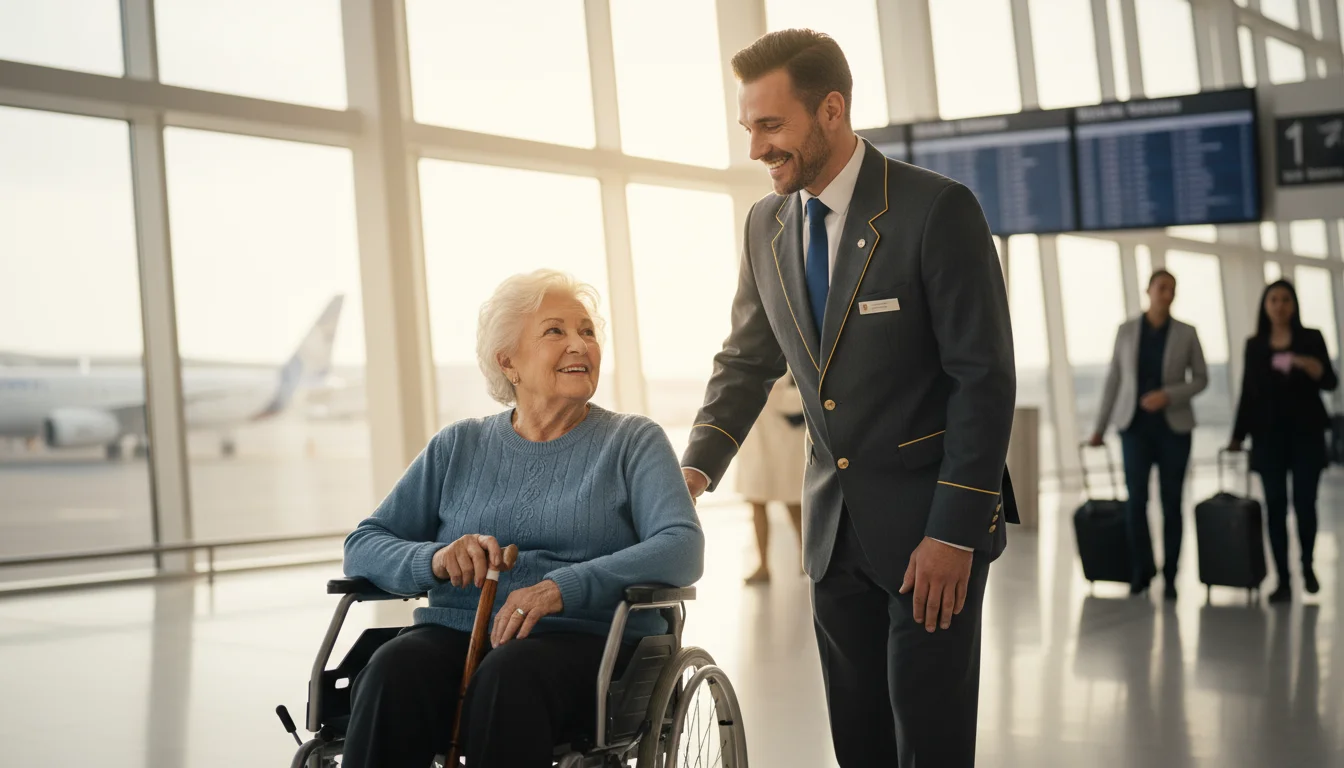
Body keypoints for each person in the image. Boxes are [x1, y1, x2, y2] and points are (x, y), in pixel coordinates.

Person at [681, 29, 1017, 767]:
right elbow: (746, 361)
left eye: (771, 126)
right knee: (859, 745)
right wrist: (692, 473)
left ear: (831, 109)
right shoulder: (766, 225)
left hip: (932, 532)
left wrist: (954, 532)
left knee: (929, 744)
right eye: (749, 128)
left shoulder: (936, 210)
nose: (755, 148)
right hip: (834, 542)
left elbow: (983, 382)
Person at [340, 270, 704, 767]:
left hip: (584, 641)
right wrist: (437, 559)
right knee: (392, 670)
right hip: (458, 631)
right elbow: (364, 543)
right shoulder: (458, 445)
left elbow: (682, 545)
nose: (580, 345)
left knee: (508, 677)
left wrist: (564, 586)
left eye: (588, 332)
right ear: (507, 361)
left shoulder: (632, 441)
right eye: (555, 331)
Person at [1089, 269, 1208, 600]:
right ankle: (1141, 571)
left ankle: (1171, 575)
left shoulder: (1187, 333)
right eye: (1161, 288)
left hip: (1175, 429)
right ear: (1149, 290)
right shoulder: (1126, 331)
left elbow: (1201, 379)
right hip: (1134, 428)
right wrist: (1100, 427)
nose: (1167, 294)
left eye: (1172, 289)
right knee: (1136, 501)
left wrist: (1169, 394)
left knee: (1172, 503)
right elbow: (1114, 379)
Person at [1229, 279, 1337, 603]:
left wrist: (1304, 362)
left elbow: (1330, 381)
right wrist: (1237, 435)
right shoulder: (1255, 345)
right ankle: (1283, 579)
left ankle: (1307, 564)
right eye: (1273, 300)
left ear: (1294, 305)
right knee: (1275, 506)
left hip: (1306, 435)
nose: (1279, 306)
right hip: (1268, 437)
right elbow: (1248, 393)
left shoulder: (1311, 339)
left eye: (1285, 299)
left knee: (1305, 503)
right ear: (1265, 305)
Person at [735, 370, 806, 583]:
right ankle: (763, 565)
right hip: (756, 443)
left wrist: (798, 398)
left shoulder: (783, 357)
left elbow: (784, 399)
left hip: (783, 443)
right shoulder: (743, 363)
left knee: (794, 504)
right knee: (757, 503)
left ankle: (808, 559)